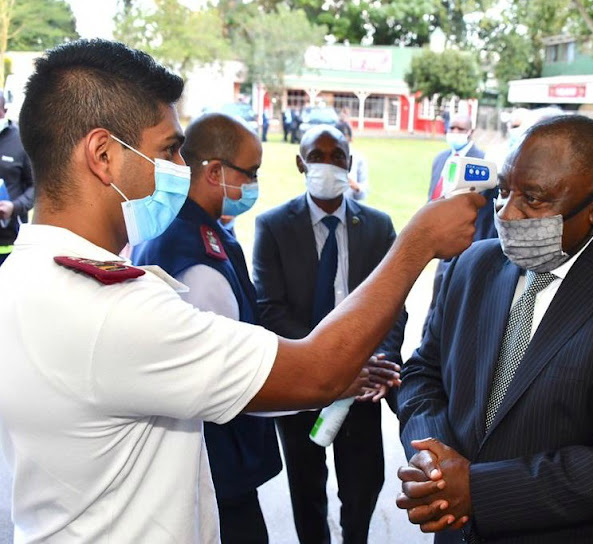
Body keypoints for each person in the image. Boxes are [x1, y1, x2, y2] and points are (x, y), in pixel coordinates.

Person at [0, 39, 482, 542]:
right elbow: (317, 372)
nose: (180, 170)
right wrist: (416, 243)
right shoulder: (113, 310)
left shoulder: (21, 274)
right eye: (167, 151)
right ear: (103, 155)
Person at [397, 115, 593, 543]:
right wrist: (434, 460)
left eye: (534, 199)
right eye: (504, 191)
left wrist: (478, 489)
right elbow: (423, 373)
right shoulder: (473, 265)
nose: (506, 213)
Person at [129, 113, 281, 543]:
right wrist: (329, 380)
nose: (253, 184)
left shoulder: (188, 228)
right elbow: (235, 378)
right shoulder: (196, 256)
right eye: (250, 173)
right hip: (214, 467)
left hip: (210, 463)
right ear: (215, 171)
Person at [253, 125, 406, 544]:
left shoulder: (377, 227)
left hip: (362, 383)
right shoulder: (273, 227)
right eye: (317, 155)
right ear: (301, 163)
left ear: (349, 163)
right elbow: (270, 309)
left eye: (337, 155)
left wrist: (377, 360)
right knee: (306, 488)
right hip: (301, 383)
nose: (328, 163)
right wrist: (326, 360)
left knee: (363, 484)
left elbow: (394, 307)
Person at [426, 113, 499, 308]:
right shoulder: (440, 159)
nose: (455, 133)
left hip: (467, 248)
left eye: (461, 129)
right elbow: (432, 196)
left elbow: (487, 214)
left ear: (471, 132)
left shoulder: (484, 163)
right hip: (440, 245)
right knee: (437, 304)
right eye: (452, 128)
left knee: (460, 305)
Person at [0, 94, 34, 266]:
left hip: (10, 247)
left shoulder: (20, 141)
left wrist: (15, 207)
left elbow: (36, 188)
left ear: (4, 111)